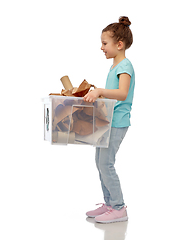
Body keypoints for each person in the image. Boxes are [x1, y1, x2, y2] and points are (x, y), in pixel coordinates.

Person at [83, 16, 135, 224]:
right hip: (108, 121)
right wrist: (97, 95)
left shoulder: (125, 66)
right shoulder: (115, 66)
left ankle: (119, 207)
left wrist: (101, 91)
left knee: (106, 164)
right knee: (100, 162)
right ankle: (109, 203)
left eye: (105, 43)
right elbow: (112, 95)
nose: (101, 47)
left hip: (117, 122)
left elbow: (122, 93)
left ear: (119, 44)